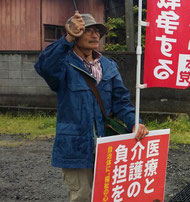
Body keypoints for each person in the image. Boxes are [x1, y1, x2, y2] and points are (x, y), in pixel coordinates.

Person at [35, 11, 149, 202]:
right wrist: (68, 37)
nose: (95, 35)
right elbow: (44, 66)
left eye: (97, 31)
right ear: (75, 34)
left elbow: (121, 102)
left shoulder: (108, 66)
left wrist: (135, 123)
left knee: (110, 194)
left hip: (108, 144)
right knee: (82, 197)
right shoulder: (64, 65)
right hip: (75, 147)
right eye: (88, 31)